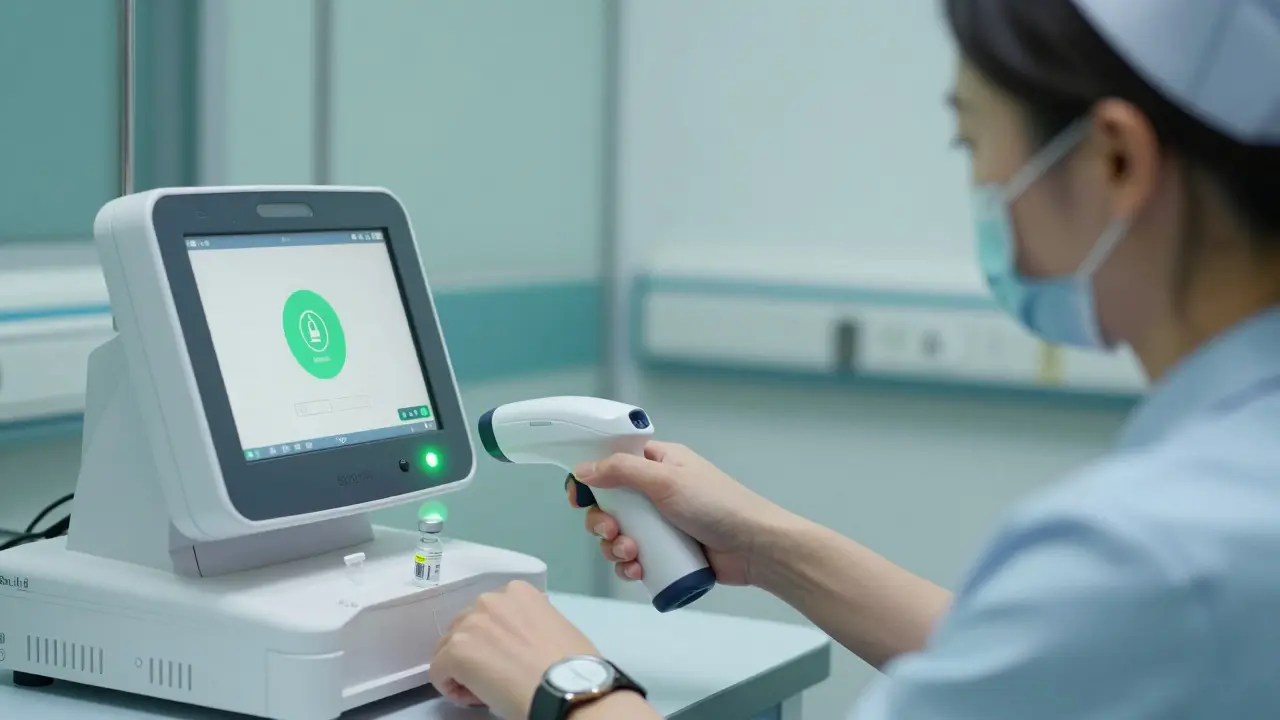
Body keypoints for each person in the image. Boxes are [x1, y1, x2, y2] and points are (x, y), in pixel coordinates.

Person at [430, 0, 1280, 716]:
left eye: (972, 139)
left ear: (1115, 160)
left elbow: (1090, 632)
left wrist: (572, 687)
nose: (981, 182)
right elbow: (1049, 665)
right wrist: (767, 548)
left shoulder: (1157, 554)